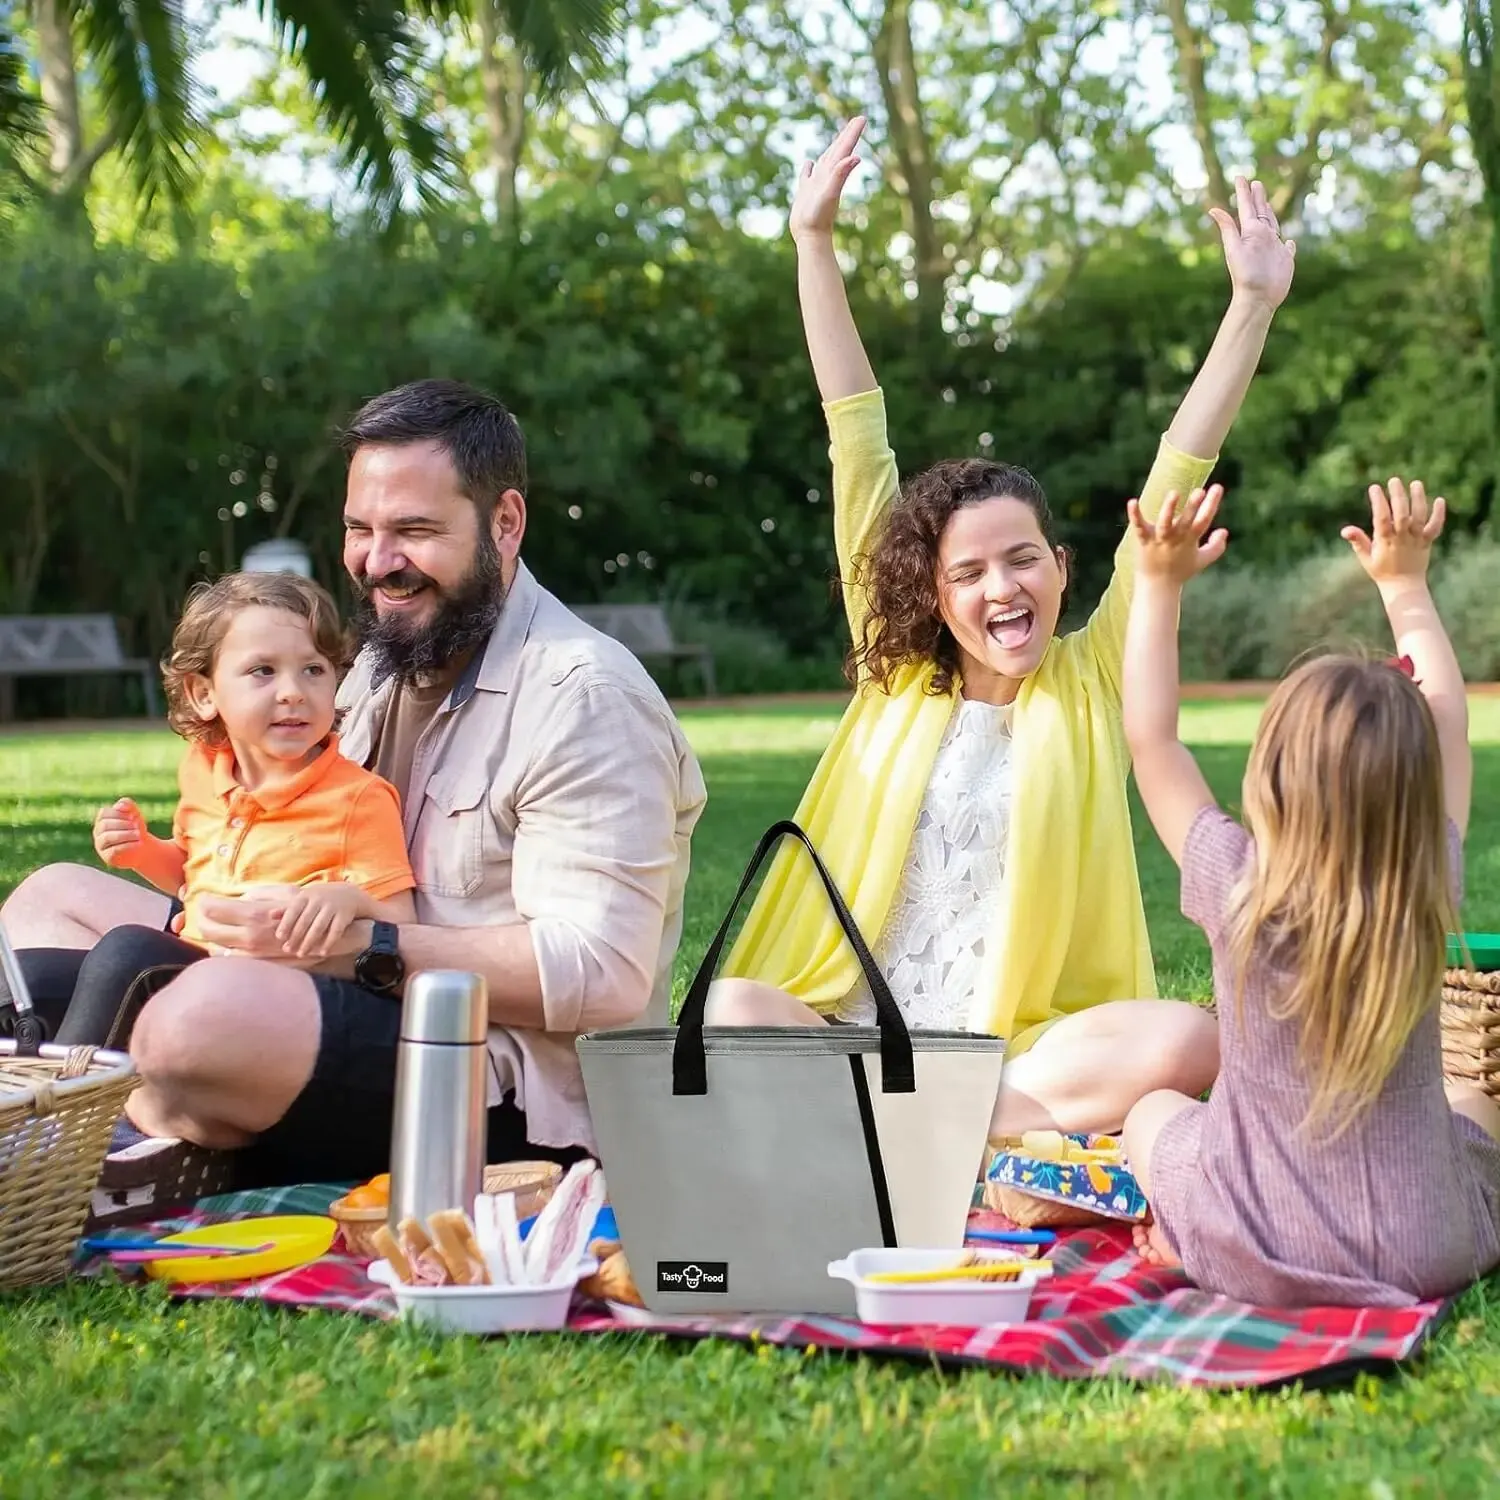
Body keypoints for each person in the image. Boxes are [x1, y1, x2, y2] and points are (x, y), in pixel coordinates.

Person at [706, 117, 1296, 1139]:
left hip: (1018, 1051)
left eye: (1022, 559)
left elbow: (1175, 478)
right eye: (967, 572)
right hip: (858, 1025)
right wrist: (813, 245)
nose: (1000, 588)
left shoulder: (1095, 678)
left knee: (1188, 1042)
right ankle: (938, 1128)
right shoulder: (898, 674)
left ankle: (902, 1128)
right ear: (933, 597)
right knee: (730, 1008)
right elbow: (856, 431)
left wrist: (1251, 307)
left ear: (1063, 571)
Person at [2, 379, 707, 1215]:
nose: (378, 561)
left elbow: (607, 976)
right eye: (360, 530)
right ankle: (128, 1122)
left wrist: (366, 945)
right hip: (323, 984)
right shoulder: (382, 659)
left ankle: (117, 1140)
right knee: (50, 905)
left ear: (505, 523)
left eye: (413, 530)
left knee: (197, 1021)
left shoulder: (581, 695)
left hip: (499, 1081)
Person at [1120, 477, 1500, 1305]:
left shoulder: (1236, 883)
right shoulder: (1424, 876)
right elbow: (1448, 722)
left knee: (1151, 1113)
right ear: (1415, 789)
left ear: (1273, 777)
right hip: (1424, 1244)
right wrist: (1405, 588)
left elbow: (1152, 743)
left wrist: (1158, 586)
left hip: (1253, 1239)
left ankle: (1186, 1241)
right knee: (1474, 1099)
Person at [30, 572, 417, 1053]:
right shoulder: (204, 771)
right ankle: (24, 1094)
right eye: (263, 671)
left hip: (274, 996)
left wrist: (347, 900)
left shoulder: (357, 797)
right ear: (203, 694)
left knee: (128, 953)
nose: (294, 691)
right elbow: (193, 876)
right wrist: (142, 852)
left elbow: (402, 917)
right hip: (196, 963)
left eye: (313, 669)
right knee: (30, 975)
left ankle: (63, 1113)